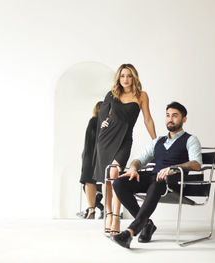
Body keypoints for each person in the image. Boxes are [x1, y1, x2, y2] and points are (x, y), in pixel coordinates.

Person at [111, 102, 202, 248]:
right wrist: (134, 168)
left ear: (184, 119)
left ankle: (131, 231)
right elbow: (139, 159)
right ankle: (146, 224)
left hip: (174, 182)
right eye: (167, 115)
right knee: (119, 183)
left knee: (159, 180)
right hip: (154, 177)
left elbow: (196, 164)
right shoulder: (158, 141)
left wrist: (174, 168)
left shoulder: (191, 140)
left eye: (175, 116)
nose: (170, 119)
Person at [93, 64, 156, 235]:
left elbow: (147, 119)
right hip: (106, 140)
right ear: (118, 78)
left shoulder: (141, 96)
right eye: (122, 76)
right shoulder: (112, 94)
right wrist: (104, 122)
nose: (125, 79)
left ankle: (116, 218)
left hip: (125, 140)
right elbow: (102, 115)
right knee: (107, 178)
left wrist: (155, 142)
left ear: (134, 77)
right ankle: (109, 215)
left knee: (115, 174)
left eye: (129, 76)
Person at [79, 101, 104, 219]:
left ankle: (91, 209)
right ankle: (102, 209)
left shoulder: (93, 121)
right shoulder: (103, 122)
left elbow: (88, 141)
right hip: (99, 155)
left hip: (89, 155)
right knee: (102, 182)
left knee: (89, 181)